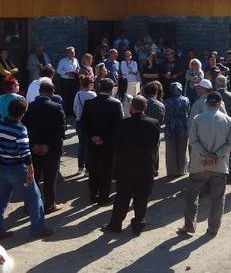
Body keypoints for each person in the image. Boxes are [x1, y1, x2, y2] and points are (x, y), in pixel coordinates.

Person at [0, 97, 54, 242]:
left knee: (1, 201)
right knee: (34, 198)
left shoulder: (1, 123)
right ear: (23, 113)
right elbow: (25, 153)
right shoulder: (20, 129)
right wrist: (31, 171)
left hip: (3, 167)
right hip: (18, 168)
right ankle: (38, 229)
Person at [177, 92, 231, 236]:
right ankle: (213, 229)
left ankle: (190, 226)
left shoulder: (198, 119)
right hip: (219, 165)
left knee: (192, 196)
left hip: (199, 164)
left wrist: (205, 154)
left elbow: (193, 141)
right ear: (219, 103)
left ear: (206, 103)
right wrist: (216, 155)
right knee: (218, 199)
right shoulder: (228, 121)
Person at [103, 95, 160, 235]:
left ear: (131, 107)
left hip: (126, 166)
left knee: (122, 197)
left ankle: (115, 224)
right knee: (142, 198)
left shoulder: (123, 124)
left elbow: (116, 146)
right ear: (145, 108)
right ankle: (138, 225)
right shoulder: (154, 123)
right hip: (146, 166)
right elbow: (155, 145)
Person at [24, 82, 67, 213]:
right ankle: (50, 204)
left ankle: (31, 204)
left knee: (34, 178)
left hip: (34, 148)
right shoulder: (57, 107)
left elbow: (25, 128)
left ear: (40, 91)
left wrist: (33, 145)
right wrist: (48, 145)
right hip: (52, 149)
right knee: (50, 178)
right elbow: (61, 130)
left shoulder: (29, 107)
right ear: (52, 92)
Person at [81, 79, 123, 204]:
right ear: (111, 89)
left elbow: (83, 122)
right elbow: (118, 125)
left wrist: (92, 136)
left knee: (93, 168)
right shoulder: (116, 104)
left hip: (92, 142)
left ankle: (93, 194)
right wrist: (104, 138)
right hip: (109, 143)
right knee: (107, 169)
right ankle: (104, 196)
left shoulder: (89, 103)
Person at [164, 82, 191, 177]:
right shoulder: (186, 100)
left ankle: (172, 171)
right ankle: (182, 170)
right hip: (183, 126)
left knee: (171, 150)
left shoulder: (167, 101)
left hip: (170, 127)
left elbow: (165, 114)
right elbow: (188, 111)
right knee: (182, 149)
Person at [73, 75, 97, 173]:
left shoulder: (78, 94)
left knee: (81, 144)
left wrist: (79, 115)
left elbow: (74, 108)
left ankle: (80, 167)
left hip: (79, 121)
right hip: (90, 122)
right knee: (89, 145)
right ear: (90, 84)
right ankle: (88, 168)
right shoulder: (93, 95)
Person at [56, 46, 80, 118]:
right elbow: (58, 70)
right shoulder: (63, 61)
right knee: (65, 96)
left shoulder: (75, 60)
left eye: (74, 52)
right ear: (67, 53)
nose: (73, 54)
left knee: (72, 96)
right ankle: (65, 112)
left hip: (73, 80)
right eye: (71, 52)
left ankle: (71, 112)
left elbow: (78, 67)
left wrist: (77, 71)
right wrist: (67, 73)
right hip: (65, 81)